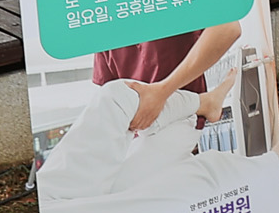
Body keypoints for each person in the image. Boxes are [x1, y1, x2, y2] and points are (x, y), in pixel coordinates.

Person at [93, 20, 243, 133]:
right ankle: (205, 103)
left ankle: (206, 103)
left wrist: (163, 92)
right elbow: (110, 96)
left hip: (179, 126)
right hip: (141, 133)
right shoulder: (103, 23)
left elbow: (229, 28)